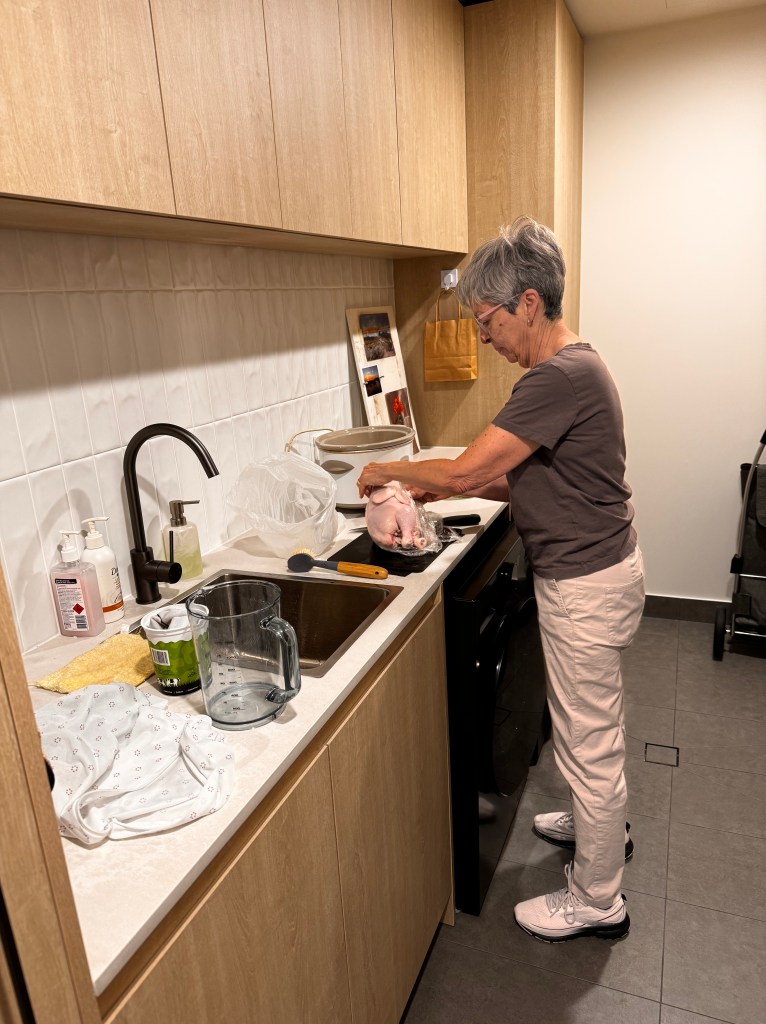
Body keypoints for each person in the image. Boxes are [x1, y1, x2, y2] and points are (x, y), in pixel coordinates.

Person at [357, 216, 645, 943]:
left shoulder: (557, 377)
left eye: (487, 321)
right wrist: (425, 489)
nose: (484, 337)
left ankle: (597, 899)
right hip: (600, 570)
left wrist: (387, 469)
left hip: (585, 584)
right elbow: (519, 479)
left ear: (527, 303)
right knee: (593, 726)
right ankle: (597, 826)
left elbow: (466, 471)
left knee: (589, 740)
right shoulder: (577, 367)